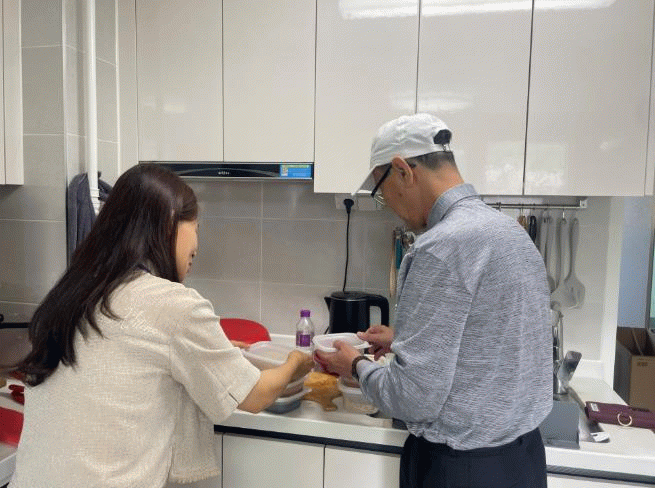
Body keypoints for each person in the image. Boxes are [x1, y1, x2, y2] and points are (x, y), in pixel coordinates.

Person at [10, 164, 313, 488]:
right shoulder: (174, 305)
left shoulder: (73, 291)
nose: (197, 244)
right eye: (195, 226)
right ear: (169, 223)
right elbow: (254, 395)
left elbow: (125, 357)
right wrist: (297, 360)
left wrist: (214, 352)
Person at [316, 113, 552, 488]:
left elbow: (412, 397)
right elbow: (492, 336)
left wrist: (355, 365)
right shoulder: (508, 231)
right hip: (523, 460)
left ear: (402, 171)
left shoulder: (441, 248)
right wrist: (407, 340)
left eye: (381, 190)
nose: (387, 204)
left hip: (462, 470)